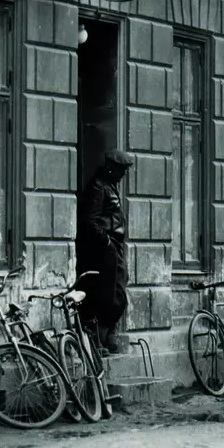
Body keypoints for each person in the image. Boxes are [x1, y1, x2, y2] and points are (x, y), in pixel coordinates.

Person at [76, 149, 133, 354]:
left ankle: (105, 336)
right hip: (104, 250)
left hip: (113, 247)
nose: (124, 174)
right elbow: (90, 222)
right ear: (111, 168)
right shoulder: (99, 187)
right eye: (122, 169)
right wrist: (107, 242)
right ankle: (98, 340)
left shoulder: (109, 186)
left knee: (118, 293)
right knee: (109, 294)